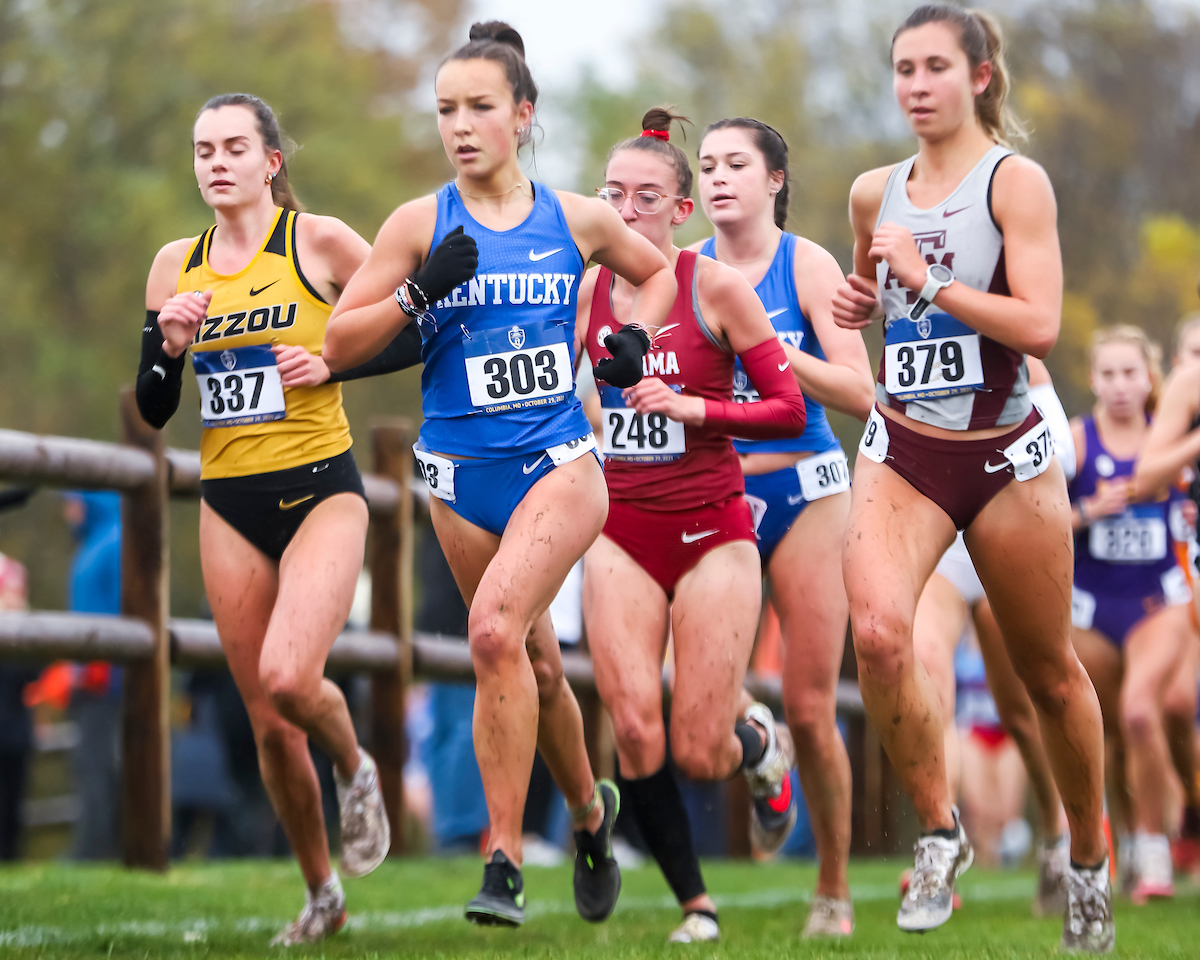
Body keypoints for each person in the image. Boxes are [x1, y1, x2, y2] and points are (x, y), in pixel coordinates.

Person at [323, 22, 678, 928]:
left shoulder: (577, 218)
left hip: (560, 462)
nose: (461, 125)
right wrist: (416, 292)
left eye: (480, 107)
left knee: (489, 633)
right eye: (446, 110)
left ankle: (504, 860)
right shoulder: (419, 223)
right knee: (533, 664)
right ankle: (593, 818)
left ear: (523, 115)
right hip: (458, 473)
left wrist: (633, 343)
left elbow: (665, 273)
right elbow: (337, 344)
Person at [831, 5, 1112, 950]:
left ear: (980, 77)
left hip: (1003, 453)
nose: (915, 84)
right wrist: (865, 299)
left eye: (935, 67)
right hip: (904, 446)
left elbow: (1038, 327)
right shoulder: (876, 191)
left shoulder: (1014, 183)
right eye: (903, 67)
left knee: (1048, 674)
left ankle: (1089, 853)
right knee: (875, 635)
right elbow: (886, 311)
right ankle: (941, 832)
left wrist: (927, 276)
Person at [135, 93, 424, 944]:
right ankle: (322, 893)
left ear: (271, 161)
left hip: (323, 490)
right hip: (229, 501)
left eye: (233, 147)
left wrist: (330, 365)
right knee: (265, 718)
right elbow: (155, 408)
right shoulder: (173, 266)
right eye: (202, 150)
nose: (215, 162)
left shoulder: (320, 242)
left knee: (294, 678)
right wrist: (171, 350)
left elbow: (412, 328)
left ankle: (355, 766)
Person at [578, 108, 806, 944]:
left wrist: (692, 406)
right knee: (633, 724)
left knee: (699, 749)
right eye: (613, 195)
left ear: (680, 211)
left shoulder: (715, 286)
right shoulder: (586, 287)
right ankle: (694, 905)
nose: (626, 210)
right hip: (621, 527)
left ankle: (757, 745)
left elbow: (789, 408)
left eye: (646, 197)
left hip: (713, 528)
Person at [691, 115, 874, 938]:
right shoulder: (680, 270)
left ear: (774, 182)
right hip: (713, 490)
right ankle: (759, 752)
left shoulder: (808, 265)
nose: (719, 177)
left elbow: (859, 393)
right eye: (706, 165)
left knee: (811, 705)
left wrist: (766, 348)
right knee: (699, 696)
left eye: (737, 164)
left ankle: (831, 889)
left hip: (808, 491)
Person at [908, 356, 1075, 916]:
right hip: (944, 550)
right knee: (927, 668)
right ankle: (940, 836)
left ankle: (1056, 831)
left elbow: (1064, 459)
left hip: (1005, 539)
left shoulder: (1019, 351)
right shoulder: (913, 337)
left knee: (1026, 711)